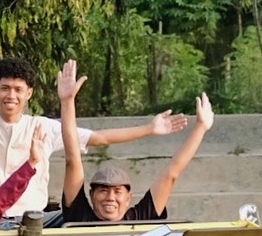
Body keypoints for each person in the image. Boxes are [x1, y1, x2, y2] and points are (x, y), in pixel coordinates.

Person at [0, 45, 189, 217]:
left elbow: (99, 138)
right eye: (4, 88)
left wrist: (149, 128)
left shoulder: (42, 127)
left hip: (31, 222)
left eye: (18, 90)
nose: (10, 95)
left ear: (29, 94)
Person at [56, 59, 215, 225]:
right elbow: (72, 160)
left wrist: (200, 128)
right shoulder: (80, 217)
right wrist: (67, 102)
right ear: (91, 195)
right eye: (103, 191)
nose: (110, 198)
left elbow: (171, 175)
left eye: (117, 191)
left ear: (128, 198)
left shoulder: (140, 218)